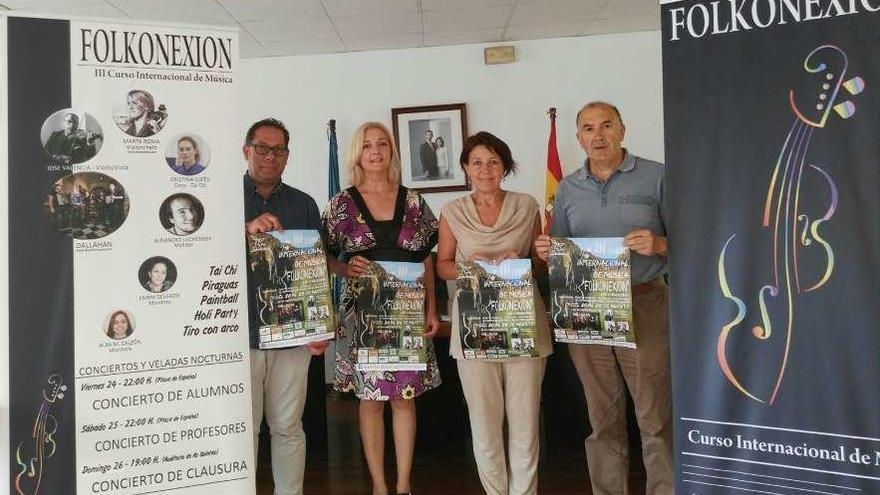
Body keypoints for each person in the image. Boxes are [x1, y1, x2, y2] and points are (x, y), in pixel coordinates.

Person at [534, 101, 672, 495]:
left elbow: (696, 238)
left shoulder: (657, 176)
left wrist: (660, 242)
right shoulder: (568, 188)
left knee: (655, 417)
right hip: (587, 309)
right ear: (578, 138)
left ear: (623, 130)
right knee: (602, 417)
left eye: (606, 126)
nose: (598, 136)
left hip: (644, 303)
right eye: (589, 129)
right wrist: (548, 250)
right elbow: (561, 246)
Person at [322, 122, 441, 495]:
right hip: (361, 312)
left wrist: (431, 310)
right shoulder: (342, 203)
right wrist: (344, 266)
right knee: (371, 400)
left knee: (403, 399)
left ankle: (403, 484)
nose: (375, 151)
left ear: (392, 150)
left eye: (382, 144)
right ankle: (379, 485)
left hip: (407, 311)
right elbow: (320, 254)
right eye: (367, 145)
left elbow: (427, 259)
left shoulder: (414, 201)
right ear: (357, 154)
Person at [437, 131, 552, 495]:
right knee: (484, 423)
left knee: (524, 424)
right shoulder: (452, 211)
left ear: (505, 166)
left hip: (523, 324)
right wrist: (473, 268)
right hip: (474, 324)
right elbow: (442, 266)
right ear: (466, 168)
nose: (485, 169)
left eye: (493, 161)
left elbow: (538, 265)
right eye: (477, 162)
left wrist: (521, 261)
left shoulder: (526, 205)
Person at [242, 118, 329, 495]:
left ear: (287, 156)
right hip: (236, 333)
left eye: (278, 150)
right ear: (246, 151)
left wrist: (321, 325)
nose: (269, 156)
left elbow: (318, 268)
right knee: (243, 429)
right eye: (262, 147)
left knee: (288, 425)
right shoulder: (217, 197)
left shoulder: (304, 204)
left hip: (293, 334)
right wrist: (244, 229)